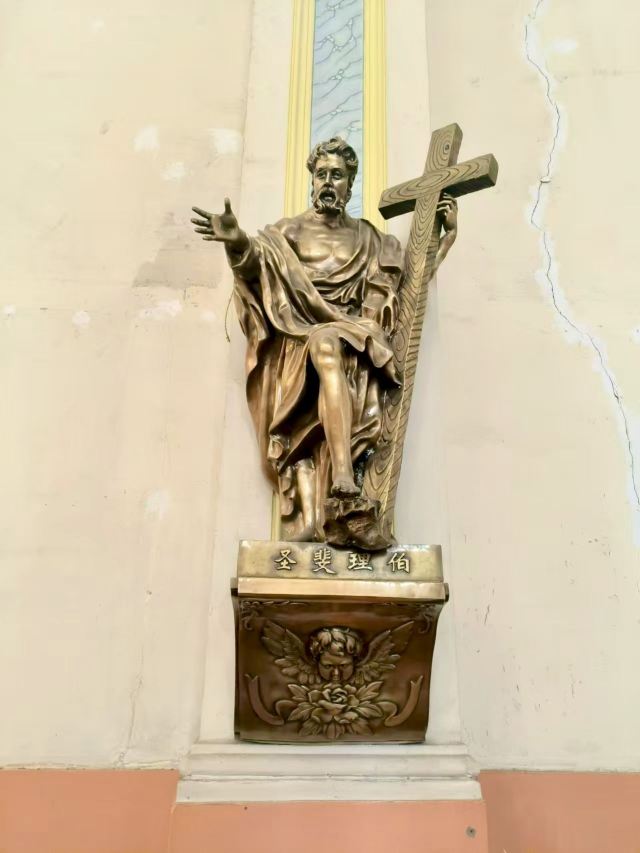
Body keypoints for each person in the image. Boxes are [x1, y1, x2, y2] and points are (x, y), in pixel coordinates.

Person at [192, 137, 457, 545]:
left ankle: (345, 482)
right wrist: (236, 242)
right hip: (298, 340)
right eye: (321, 175)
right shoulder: (288, 233)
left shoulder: (371, 240)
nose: (328, 182)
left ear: (350, 184)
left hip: (356, 341)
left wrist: (443, 240)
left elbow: (406, 293)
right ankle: (342, 479)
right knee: (325, 341)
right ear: (312, 181)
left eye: (337, 175)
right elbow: (257, 267)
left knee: (331, 341)